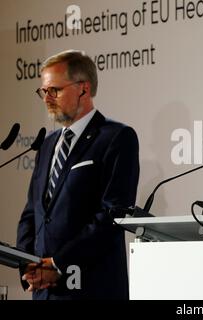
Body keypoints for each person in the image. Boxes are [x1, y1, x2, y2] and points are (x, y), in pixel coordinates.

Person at [16, 50, 140, 300]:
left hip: (91, 288)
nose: (46, 98)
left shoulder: (116, 137)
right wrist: (27, 264)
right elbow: (33, 212)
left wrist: (58, 264)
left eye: (55, 90)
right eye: (43, 91)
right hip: (44, 293)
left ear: (83, 88)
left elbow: (112, 215)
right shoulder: (47, 144)